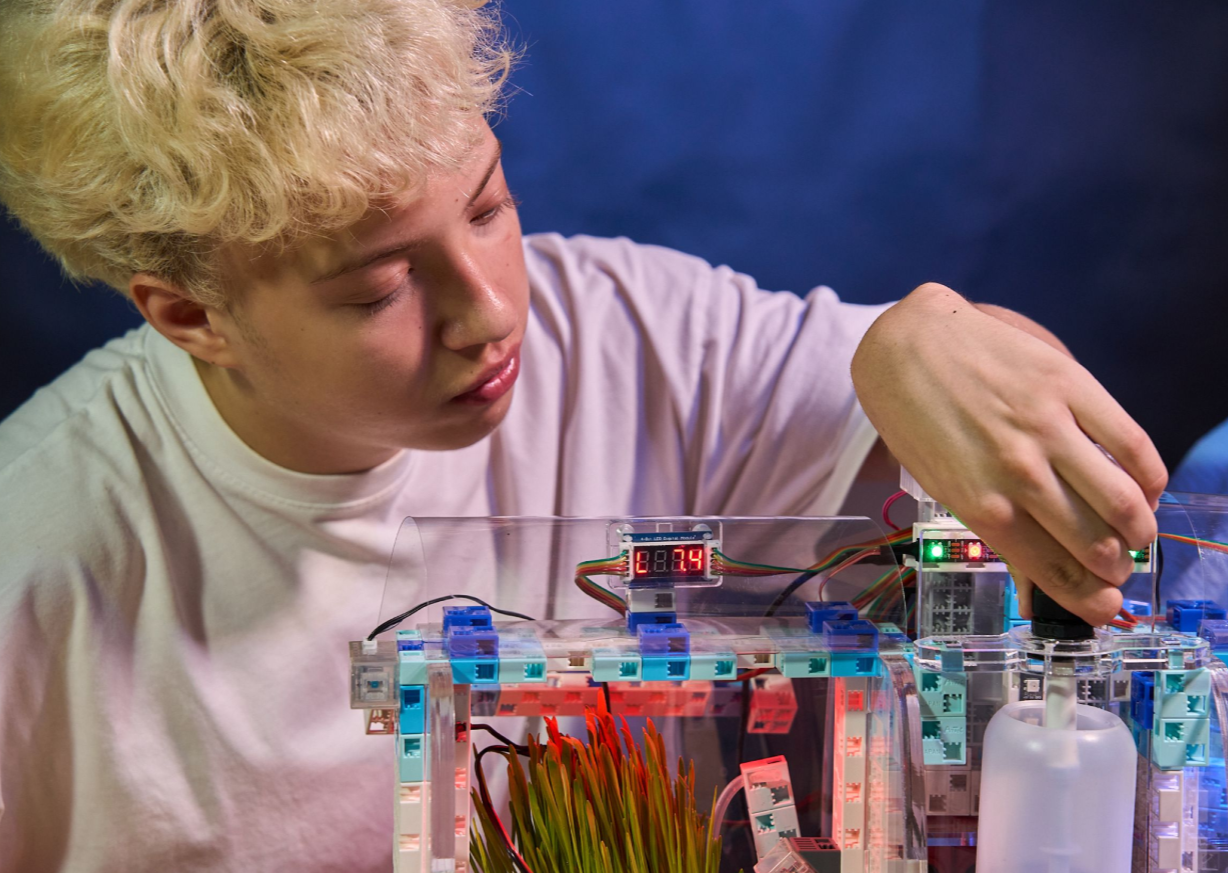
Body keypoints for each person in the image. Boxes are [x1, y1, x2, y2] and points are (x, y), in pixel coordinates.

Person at [0, 1, 1166, 870]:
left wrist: (923, 341)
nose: (492, 312)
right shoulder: (36, 556)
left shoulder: (633, 333)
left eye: (487, 205)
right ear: (190, 315)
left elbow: (978, 456)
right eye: (380, 287)